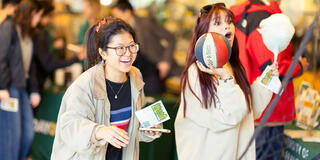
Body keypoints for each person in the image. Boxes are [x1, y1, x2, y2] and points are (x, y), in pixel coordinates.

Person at [174, 3, 278, 159]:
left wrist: (268, 78)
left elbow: (247, 111)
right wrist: (226, 78)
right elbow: (229, 117)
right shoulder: (196, 73)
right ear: (204, 33)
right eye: (217, 23)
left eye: (229, 21)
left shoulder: (232, 67)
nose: (226, 26)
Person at [51, 17, 162, 160]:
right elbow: (69, 126)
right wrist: (99, 131)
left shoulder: (135, 76)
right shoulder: (85, 84)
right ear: (103, 53)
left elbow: (132, 127)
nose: (128, 53)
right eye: (120, 48)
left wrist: (149, 130)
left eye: (131, 46)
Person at [230, 0, 309, 159]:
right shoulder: (263, 17)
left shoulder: (244, 14)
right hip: (268, 109)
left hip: (253, 102)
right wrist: (298, 66)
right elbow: (269, 67)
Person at [0, 0, 43, 159]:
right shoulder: (8, 27)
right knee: (11, 137)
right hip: (9, 88)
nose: (39, 20)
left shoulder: (28, 34)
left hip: (23, 88)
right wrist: (2, 86)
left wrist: (34, 90)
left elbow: (29, 64)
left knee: (27, 135)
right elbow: (1, 57)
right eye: (38, 15)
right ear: (31, 14)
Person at [111, 1, 176, 96]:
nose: (116, 19)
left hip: (153, 69)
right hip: (134, 72)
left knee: (153, 99)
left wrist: (165, 61)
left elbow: (170, 38)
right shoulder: (121, 30)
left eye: (117, 15)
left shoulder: (146, 23)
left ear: (127, 12)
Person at [34, 0, 85, 92]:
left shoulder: (41, 32)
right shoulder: (40, 34)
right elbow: (48, 64)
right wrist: (75, 59)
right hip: (36, 83)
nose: (50, 20)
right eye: (49, 16)